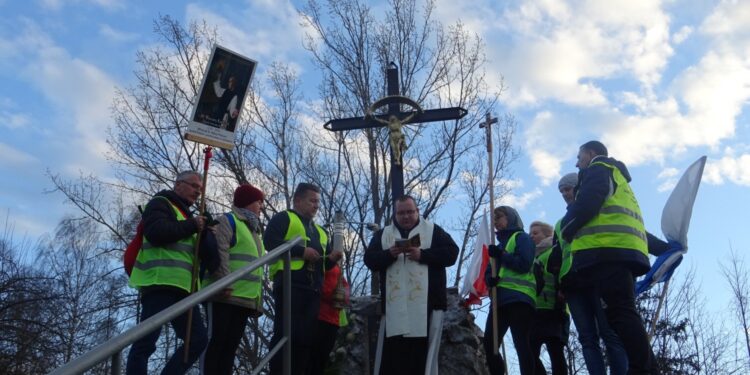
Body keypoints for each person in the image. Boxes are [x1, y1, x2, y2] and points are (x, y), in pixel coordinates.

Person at [560, 141, 655, 374]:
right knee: (620, 312)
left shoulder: (597, 169)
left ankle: (643, 369)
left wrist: (566, 228)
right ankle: (641, 366)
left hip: (606, 252)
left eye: (579, 156)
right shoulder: (618, 179)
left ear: (591, 154)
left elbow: (588, 203)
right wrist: (664, 249)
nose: (577, 162)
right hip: (621, 251)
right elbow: (636, 226)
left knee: (620, 313)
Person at [126, 171, 211, 375]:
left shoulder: (188, 215)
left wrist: (207, 231)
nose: (197, 192)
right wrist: (193, 225)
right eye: (193, 186)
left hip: (185, 288)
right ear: (178, 184)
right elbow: (157, 232)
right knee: (146, 341)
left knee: (197, 340)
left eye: (200, 189)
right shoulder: (160, 203)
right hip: (160, 282)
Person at [364, 195, 459, 375]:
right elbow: (369, 259)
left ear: (417, 211)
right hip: (395, 310)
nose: (406, 216)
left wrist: (423, 255)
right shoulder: (383, 234)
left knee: (422, 363)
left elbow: (452, 253)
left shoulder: (433, 231)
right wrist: (388, 255)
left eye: (410, 212)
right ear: (395, 214)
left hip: (428, 307)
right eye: (401, 213)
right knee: (394, 362)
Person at [548, 172, 628, 375]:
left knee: (609, 333)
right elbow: (557, 258)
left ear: (579, 187)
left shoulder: (596, 210)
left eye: (568, 188)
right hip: (573, 284)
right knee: (586, 338)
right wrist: (559, 286)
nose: (565, 193)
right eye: (562, 191)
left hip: (597, 277)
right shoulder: (560, 223)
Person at [263, 183, 342, 375]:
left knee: (306, 338)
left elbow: (324, 264)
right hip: (291, 284)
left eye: (318, 202)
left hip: (314, 289)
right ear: (298, 200)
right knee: (286, 333)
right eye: (312, 201)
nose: (316, 205)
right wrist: (300, 251)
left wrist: (332, 260)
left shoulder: (321, 231)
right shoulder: (285, 218)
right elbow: (270, 241)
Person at [202, 183, 266, 375]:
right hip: (223, 294)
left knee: (230, 348)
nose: (261, 206)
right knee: (216, 343)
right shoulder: (227, 221)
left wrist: (256, 300)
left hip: (244, 299)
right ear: (247, 203)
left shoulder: (254, 231)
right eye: (258, 202)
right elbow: (220, 251)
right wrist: (224, 281)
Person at [483, 206, 536, 375]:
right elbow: (488, 270)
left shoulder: (522, 238)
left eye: (499, 217)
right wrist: (489, 280)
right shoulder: (498, 246)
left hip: (519, 297)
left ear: (510, 218)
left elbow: (524, 263)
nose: (496, 222)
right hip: (499, 300)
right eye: (494, 219)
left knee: (521, 343)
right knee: (489, 344)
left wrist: (501, 255)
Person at [528, 221, 568, 375]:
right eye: (530, 233)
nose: (531, 236)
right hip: (535, 310)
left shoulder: (554, 252)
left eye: (536, 233)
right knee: (530, 352)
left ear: (547, 235)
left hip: (554, 308)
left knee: (556, 352)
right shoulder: (532, 257)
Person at [308, 262, 350, 375]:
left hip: (333, 319)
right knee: (314, 359)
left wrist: (344, 295)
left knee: (322, 359)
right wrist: (333, 295)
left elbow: (344, 284)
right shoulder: (321, 261)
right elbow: (317, 285)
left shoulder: (336, 266)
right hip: (320, 317)